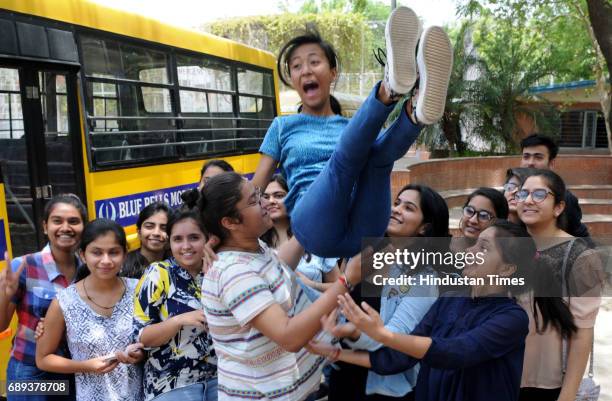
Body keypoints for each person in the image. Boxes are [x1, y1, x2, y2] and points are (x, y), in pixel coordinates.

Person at [252, 6, 453, 258]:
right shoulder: (282, 126)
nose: (306, 70)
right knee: (343, 161)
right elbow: (256, 188)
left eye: (314, 62)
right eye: (296, 66)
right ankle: (389, 89)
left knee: (377, 158)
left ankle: (416, 112)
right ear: (292, 79)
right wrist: (224, 229)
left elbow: (384, 152)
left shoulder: (353, 128)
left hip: (365, 228)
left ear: (332, 73)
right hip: (314, 227)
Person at [309, 220, 533, 401]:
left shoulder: (512, 319)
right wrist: (335, 353)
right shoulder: (450, 299)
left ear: (506, 269)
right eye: (475, 244)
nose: (471, 250)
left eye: (483, 248)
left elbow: (457, 351)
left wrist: (383, 334)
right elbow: (399, 357)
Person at [200, 172, 364, 401]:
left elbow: (278, 267)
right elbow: (288, 336)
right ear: (229, 222)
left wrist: (310, 226)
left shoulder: (253, 248)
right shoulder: (233, 272)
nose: (266, 203)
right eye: (255, 201)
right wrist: (346, 281)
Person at [325, 184, 452, 401]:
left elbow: (395, 337)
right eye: (396, 203)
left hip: (383, 387)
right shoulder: (365, 255)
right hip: (342, 374)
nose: (396, 209)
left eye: (408, 208)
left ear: (424, 227)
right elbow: (336, 299)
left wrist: (352, 331)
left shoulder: (424, 278)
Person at [515, 169, 602, 401]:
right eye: (523, 194)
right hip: (503, 373)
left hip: (547, 384)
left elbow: (583, 332)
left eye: (540, 194)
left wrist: (567, 395)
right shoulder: (507, 246)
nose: (529, 200)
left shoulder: (580, 257)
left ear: (559, 207)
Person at [36, 219, 144, 401]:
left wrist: (142, 354)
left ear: (125, 254)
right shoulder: (65, 302)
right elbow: (43, 359)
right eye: (97, 252)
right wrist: (85, 366)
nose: (106, 260)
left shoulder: (140, 291)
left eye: (114, 252)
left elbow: (156, 339)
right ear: (83, 255)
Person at [0, 194, 87, 401]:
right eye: (57, 221)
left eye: (73, 221)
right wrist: (6, 295)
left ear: (83, 227)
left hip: (70, 369)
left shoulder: (87, 270)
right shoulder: (24, 266)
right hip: (29, 372)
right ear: (45, 226)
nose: (65, 227)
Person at [133, 210, 217, 401]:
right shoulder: (158, 273)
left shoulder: (218, 270)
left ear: (208, 239)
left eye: (194, 238)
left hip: (221, 381)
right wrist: (179, 320)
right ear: (169, 243)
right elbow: (141, 338)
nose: (186, 246)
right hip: (172, 387)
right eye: (178, 239)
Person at [261, 174, 340, 292]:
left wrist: (311, 285)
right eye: (266, 197)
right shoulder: (255, 242)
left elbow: (340, 286)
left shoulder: (316, 236)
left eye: (279, 196)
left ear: (293, 197)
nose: (271, 201)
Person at [519, 133, 591, 241]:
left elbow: (582, 238)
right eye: (526, 157)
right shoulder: (511, 192)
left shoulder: (566, 198)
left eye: (538, 157)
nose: (530, 163)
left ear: (551, 163)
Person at [121, 202, 170, 279]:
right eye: (149, 226)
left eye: (164, 228)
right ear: (139, 232)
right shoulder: (122, 267)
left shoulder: (178, 267)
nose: (156, 233)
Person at [450, 187, 508, 252]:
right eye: (469, 211)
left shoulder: (502, 258)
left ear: (500, 222)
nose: (472, 220)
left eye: (483, 216)